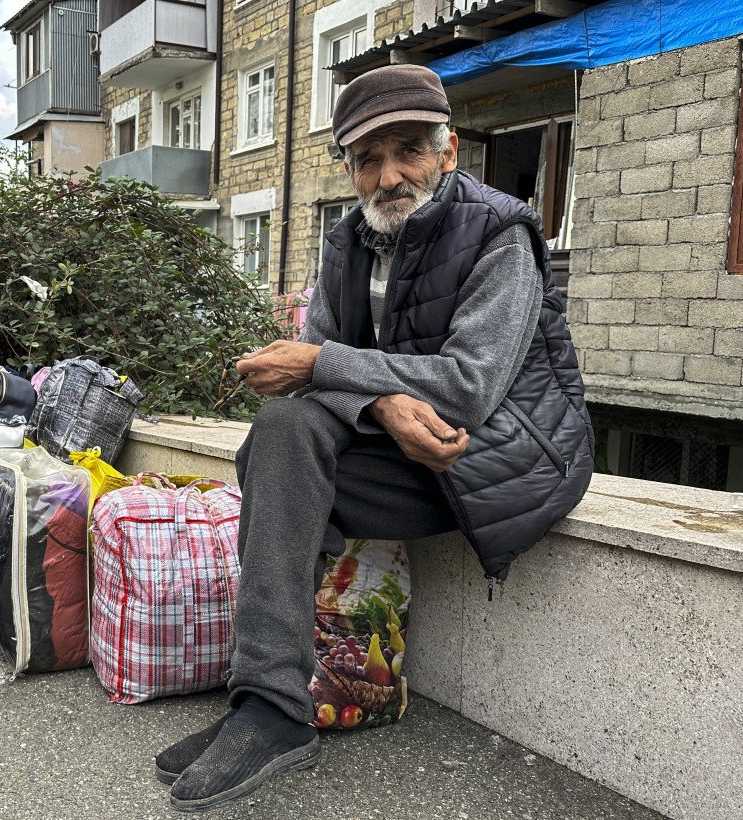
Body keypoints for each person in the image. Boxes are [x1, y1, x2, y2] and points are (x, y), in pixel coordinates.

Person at [154, 65, 594, 812]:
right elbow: (306, 387)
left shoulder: (499, 233)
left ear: (447, 151)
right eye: (367, 157)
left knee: (287, 459)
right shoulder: (349, 239)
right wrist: (381, 403)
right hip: (406, 444)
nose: (390, 175)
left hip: (495, 456)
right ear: (350, 168)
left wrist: (328, 363)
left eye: (408, 150)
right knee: (279, 434)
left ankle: (274, 694)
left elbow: (469, 386)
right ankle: (270, 704)